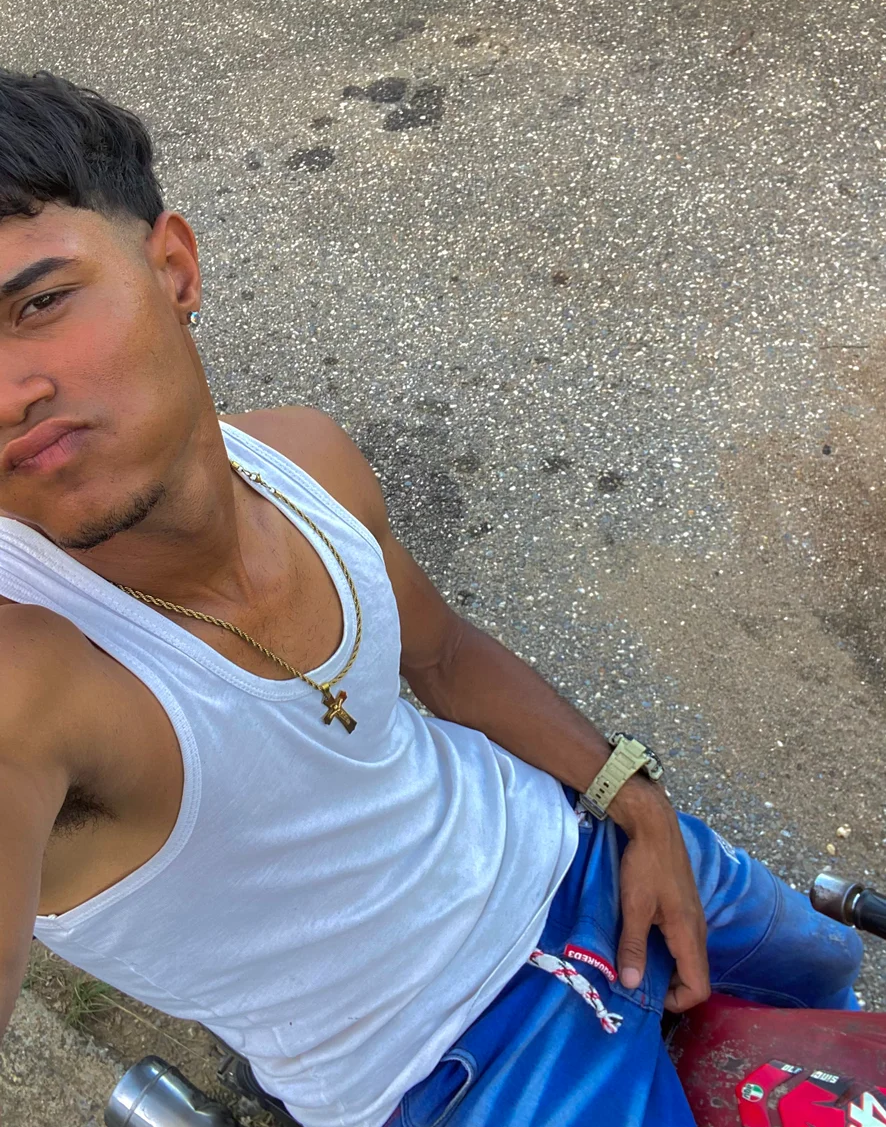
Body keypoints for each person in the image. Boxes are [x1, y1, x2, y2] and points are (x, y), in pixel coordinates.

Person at [0, 68, 863, 1127]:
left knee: (831, 986)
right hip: (455, 1074)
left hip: (577, 846)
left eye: (39, 304)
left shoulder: (302, 458)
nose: (8, 394)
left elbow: (443, 654)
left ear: (172, 265)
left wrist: (632, 797)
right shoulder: (29, 676)